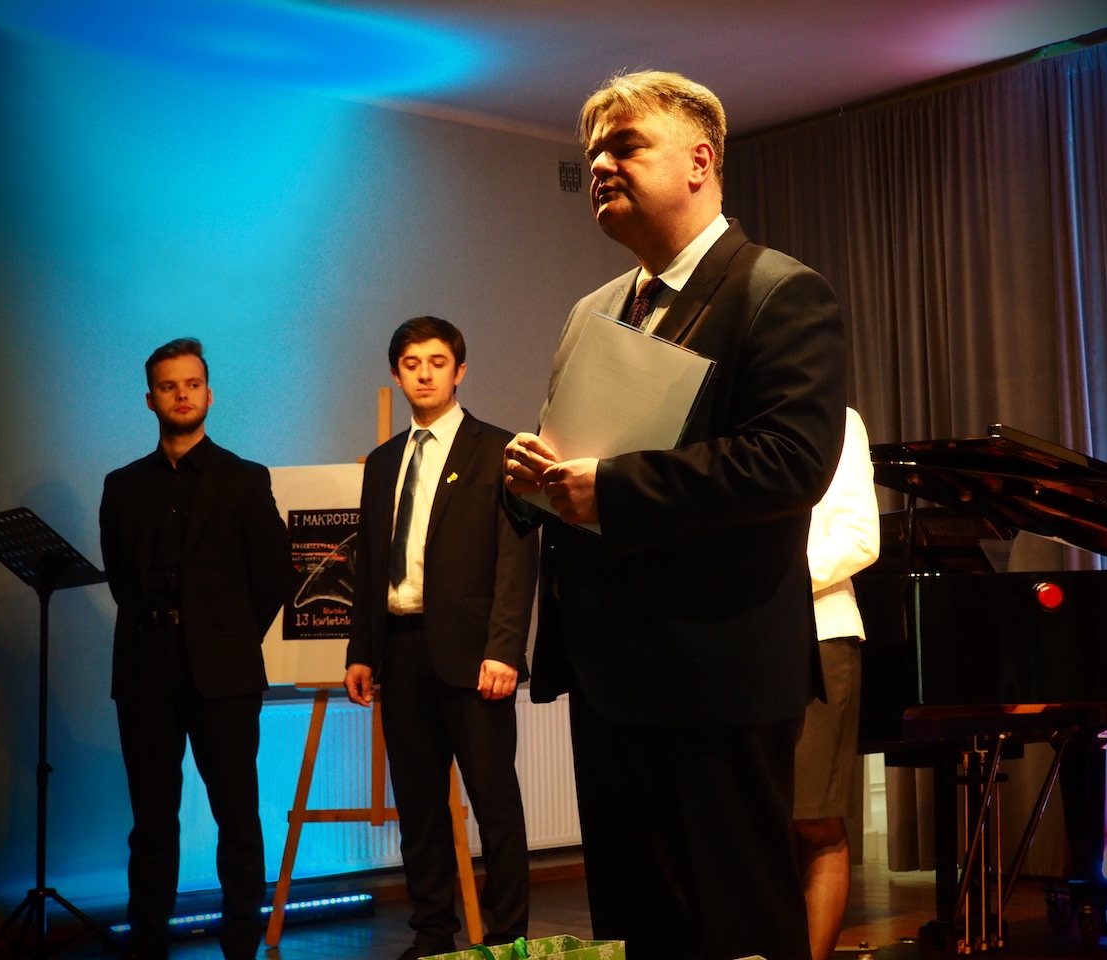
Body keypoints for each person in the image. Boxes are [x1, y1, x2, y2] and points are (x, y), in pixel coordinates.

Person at [503, 71, 846, 960]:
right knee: (638, 927)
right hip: (608, 670)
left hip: (717, 670)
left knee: (737, 925)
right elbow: (584, 457)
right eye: (592, 154)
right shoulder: (594, 309)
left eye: (625, 146)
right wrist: (535, 479)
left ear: (700, 161)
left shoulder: (779, 290)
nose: (600, 165)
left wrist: (612, 489)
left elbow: (790, 463)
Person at [345, 317, 538, 960]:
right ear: (396, 374)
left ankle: (507, 940)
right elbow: (368, 563)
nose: (424, 373)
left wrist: (504, 649)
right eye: (411, 363)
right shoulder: (382, 463)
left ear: (460, 371)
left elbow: (517, 558)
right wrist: (361, 651)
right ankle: (432, 937)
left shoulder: (500, 450)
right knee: (420, 808)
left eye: (436, 361)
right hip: (400, 652)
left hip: (475, 655)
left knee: (495, 804)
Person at [99, 338, 291, 960]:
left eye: (191, 384)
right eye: (168, 386)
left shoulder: (245, 478)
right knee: (151, 821)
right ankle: (147, 945)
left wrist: (227, 636)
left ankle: (241, 947)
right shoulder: (122, 485)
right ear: (150, 399)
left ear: (209, 394)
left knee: (237, 817)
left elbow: (274, 576)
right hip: (144, 668)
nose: (181, 395)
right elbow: (121, 578)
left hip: (224, 672)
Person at [796, 407, 880, 960]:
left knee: (813, 818)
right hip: (732, 643)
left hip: (818, 632)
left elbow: (859, 538)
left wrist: (773, 583)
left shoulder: (836, 419)